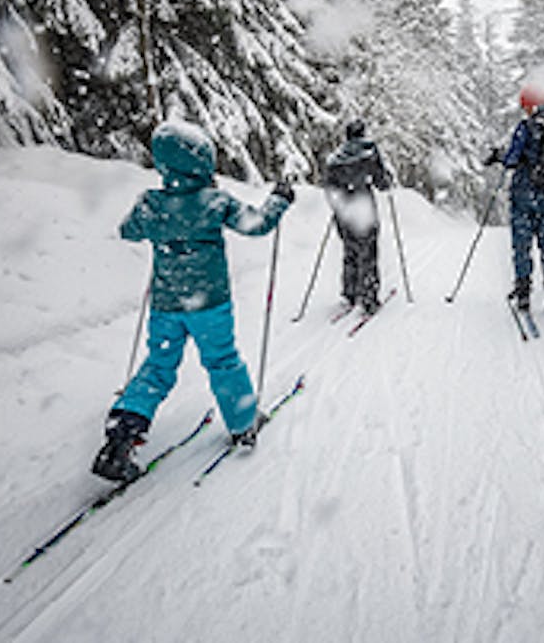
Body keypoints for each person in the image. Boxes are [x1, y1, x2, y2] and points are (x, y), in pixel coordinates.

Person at [92, 119, 295, 482]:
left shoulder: (151, 203)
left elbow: (128, 231)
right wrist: (278, 200)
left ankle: (121, 436)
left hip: (166, 305)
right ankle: (243, 423)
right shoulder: (214, 200)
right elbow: (257, 225)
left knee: (158, 366)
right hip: (210, 304)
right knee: (222, 360)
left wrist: (158, 221)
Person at [484, 85, 544, 313]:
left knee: (522, 245)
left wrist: (498, 156)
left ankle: (523, 292)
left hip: (523, 195)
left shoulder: (526, 127)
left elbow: (511, 159)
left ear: (529, 105)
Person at [323, 119, 391, 314]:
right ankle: (368, 298)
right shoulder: (369, 151)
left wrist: (338, 204)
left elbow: (328, 185)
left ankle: (350, 293)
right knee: (368, 251)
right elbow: (381, 180)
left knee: (350, 249)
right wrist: (385, 182)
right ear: (363, 133)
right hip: (363, 207)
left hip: (344, 210)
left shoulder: (335, 158)